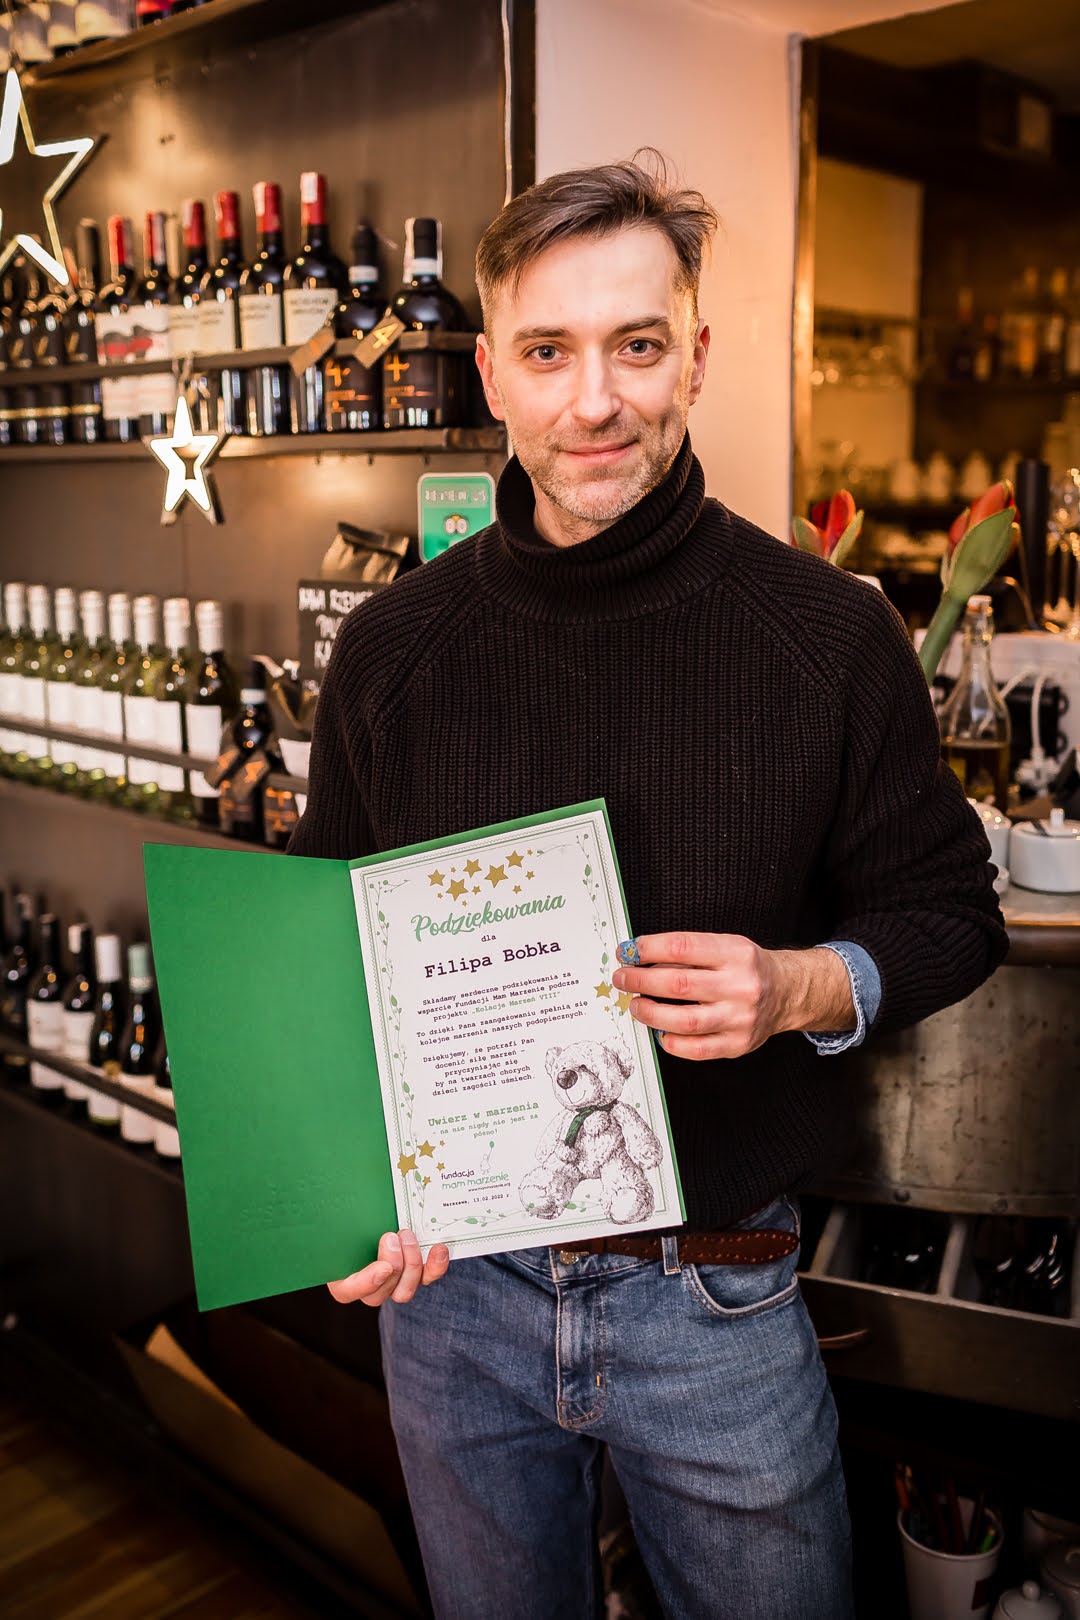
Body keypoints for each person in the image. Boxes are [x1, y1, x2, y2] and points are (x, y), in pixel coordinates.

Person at [288, 155, 1007, 1619]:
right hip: (455, 1299)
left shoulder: (831, 635)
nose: (595, 401)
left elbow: (951, 911)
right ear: (492, 373)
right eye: (549, 352)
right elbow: (319, 962)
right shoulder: (393, 651)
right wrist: (338, 1202)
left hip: (717, 1296)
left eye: (636, 345)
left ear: (697, 356)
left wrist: (800, 985)